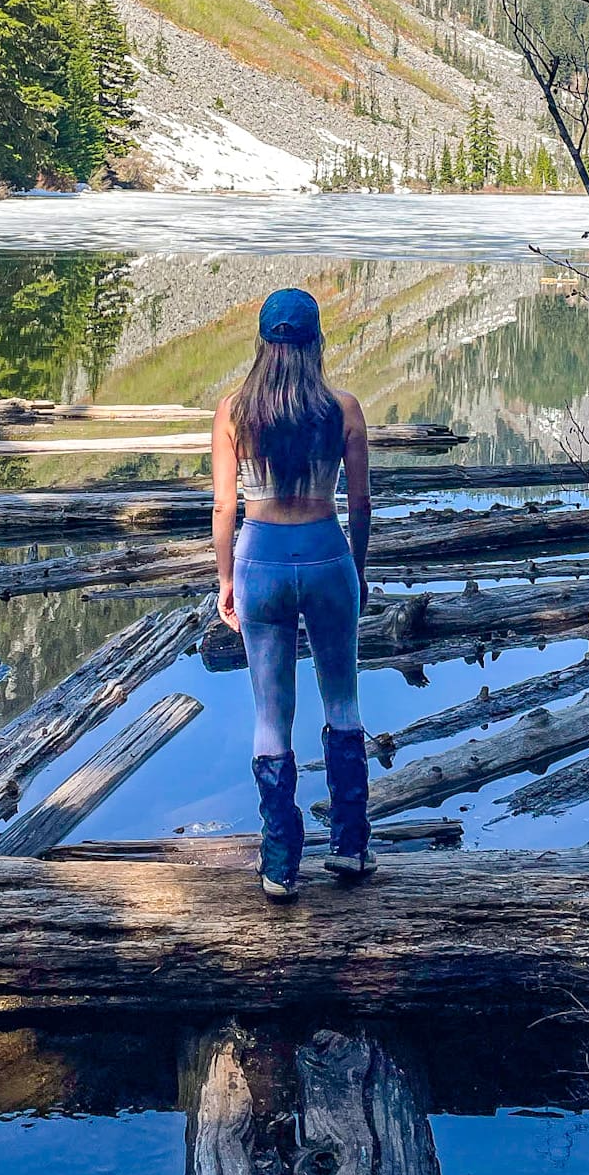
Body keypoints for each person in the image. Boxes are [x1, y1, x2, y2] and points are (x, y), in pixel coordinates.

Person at [212, 286, 374, 902]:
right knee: (343, 700)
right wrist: (355, 569)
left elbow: (226, 505)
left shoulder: (233, 411)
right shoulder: (343, 409)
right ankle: (352, 846)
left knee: (270, 714)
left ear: (263, 342)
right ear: (315, 343)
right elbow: (359, 503)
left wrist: (226, 577)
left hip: (262, 559)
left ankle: (280, 862)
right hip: (327, 551)